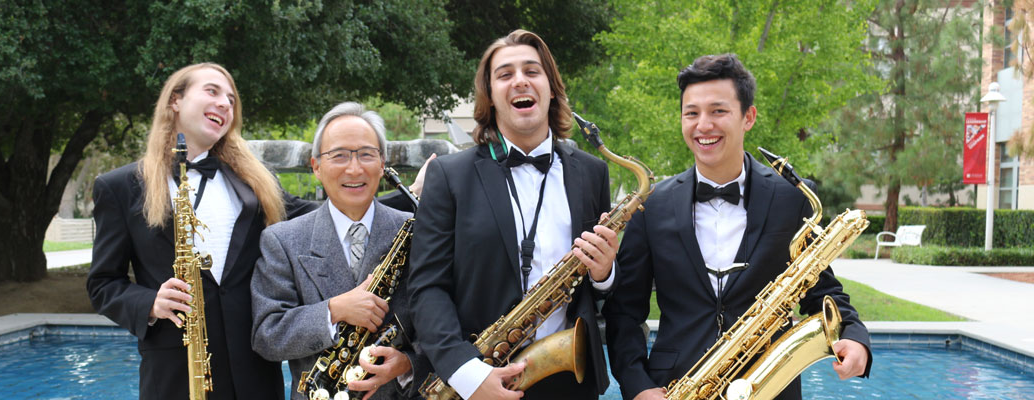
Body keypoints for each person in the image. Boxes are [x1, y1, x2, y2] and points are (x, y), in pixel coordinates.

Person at [603, 54, 872, 400]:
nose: (703, 125)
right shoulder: (651, 206)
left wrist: (854, 336)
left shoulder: (791, 198)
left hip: (768, 389)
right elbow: (624, 311)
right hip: (674, 389)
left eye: (718, 111)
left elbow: (822, 290)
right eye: (692, 113)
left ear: (749, 117)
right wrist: (638, 387)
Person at [87, 62, 325, 400]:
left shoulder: (255, 183)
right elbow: (102, 284)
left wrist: (413, 198)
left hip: (254, 373)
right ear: (176, 101)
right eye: (212, 91)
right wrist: (150, 302)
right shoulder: (119, 187)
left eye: (231, 99)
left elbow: (321, 216)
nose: (226, 103)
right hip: (174, 375)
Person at [407, 29, 617, 400]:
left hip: (568, 381)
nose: (520, 80)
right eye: (505, 74)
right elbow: (427, 289)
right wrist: (468, 374)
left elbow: (604, 289)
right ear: (490, 96)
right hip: (477, 378)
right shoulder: (449, 176)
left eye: (532, 71)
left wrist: (603, 273)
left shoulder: (592, 172)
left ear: (551, 88)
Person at [251, 102, 424, 399]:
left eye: (366, 155)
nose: (354, 168)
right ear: (316, 166)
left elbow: (448, 325)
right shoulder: (281, 240)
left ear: (382, 164)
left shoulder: (420, 232)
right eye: (339, 155)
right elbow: (267, 335)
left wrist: (409, 363)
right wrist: (333, 311)